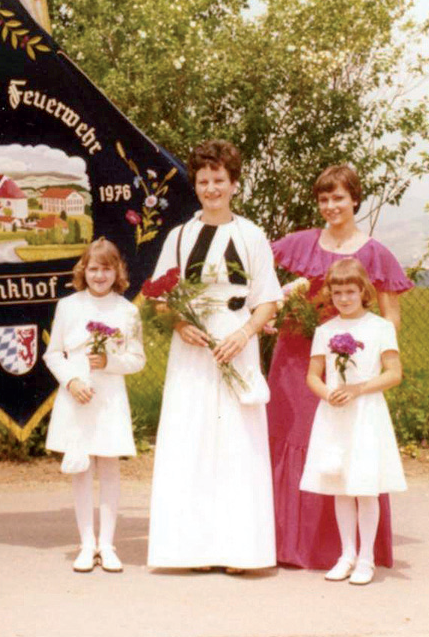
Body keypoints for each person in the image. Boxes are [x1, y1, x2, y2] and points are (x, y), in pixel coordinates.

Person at [267, 164, 413, 569]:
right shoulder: (301, 242)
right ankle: (287, 545)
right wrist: (270, 308)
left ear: (354, 200)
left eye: (339, 198)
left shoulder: (376, 253)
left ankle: (344, 551)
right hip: (296, 359)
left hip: (350, 365)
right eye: (324, 199)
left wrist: (372, 359)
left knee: (347, 443)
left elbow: (390, 315)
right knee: (294, 437)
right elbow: (255, 270)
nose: (331, 206)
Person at [146, 139, 282, 572]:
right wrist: (179, 324)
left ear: (234, 183)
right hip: (193, 351)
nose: (211, 188)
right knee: (191, 439)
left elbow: (268, 300)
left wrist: (244, 334)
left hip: (236, 346)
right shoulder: (179, 237)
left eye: (219, 180)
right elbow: (159, 298)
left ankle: (241, 551)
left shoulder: (251, 235)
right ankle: (192, 550)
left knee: (239, 443)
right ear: (196, 185)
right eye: (203, 181)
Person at [300, 258, 406, 585]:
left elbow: (394, 373)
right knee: (341, 486)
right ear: (329, 294)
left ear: (363, 291)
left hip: (365, 414)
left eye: (350, 291)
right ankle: (346, 555)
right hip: (336, 415)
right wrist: (327, 393)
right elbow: (313, 376)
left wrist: (358, 389)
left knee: (365, 486)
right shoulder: (325, 331)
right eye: (337, 293)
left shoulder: (380, 328)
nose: (344, 298)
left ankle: (366, 558)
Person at [43, 238, 145, 573]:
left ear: (117, 272)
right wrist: (71, 381)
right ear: (83, 271)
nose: (99, 276)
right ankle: (87, 544)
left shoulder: (127, 311)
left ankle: (108, 545)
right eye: (93, 269)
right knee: (81, 468)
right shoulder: (68, 306)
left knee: (110, 467)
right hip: (77, 397)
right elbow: (53, 354)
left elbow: (137, 359)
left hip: (109, 398)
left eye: (107, 269)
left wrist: (110, 361)